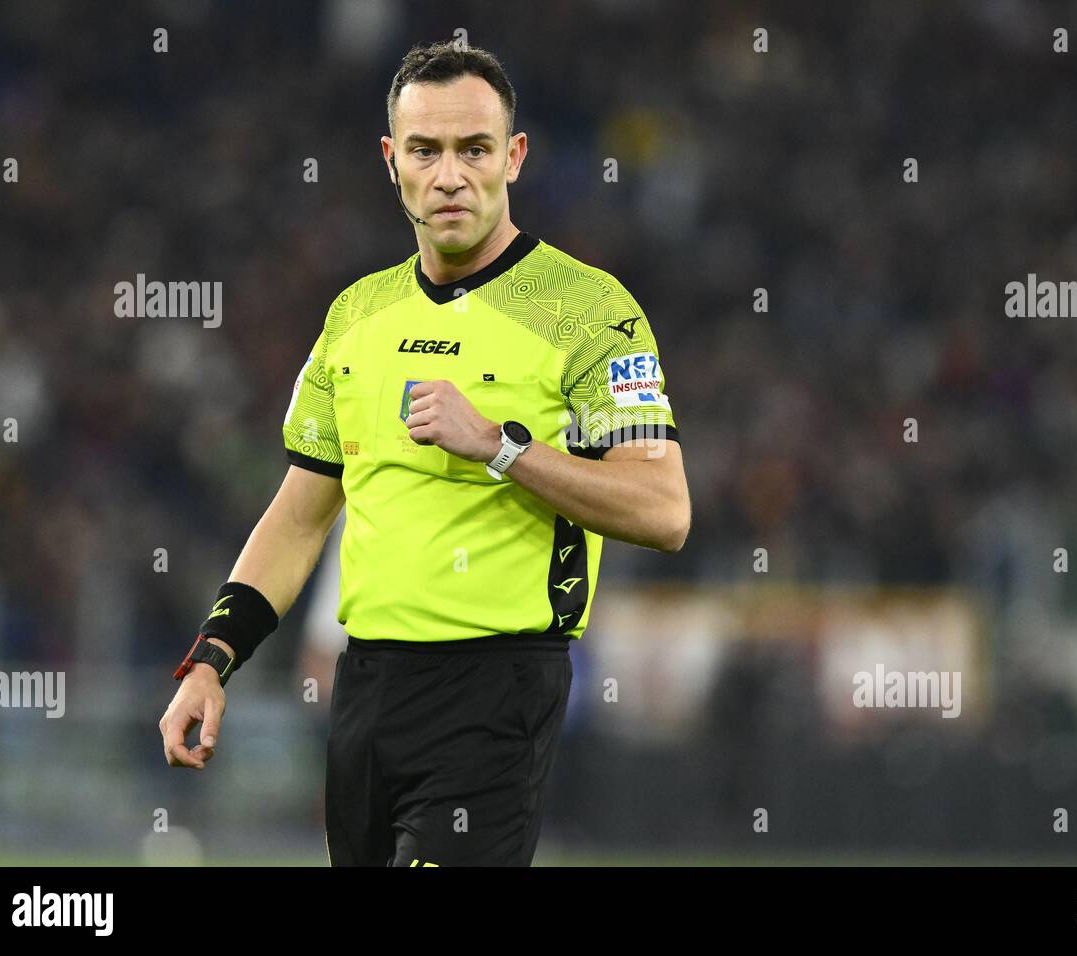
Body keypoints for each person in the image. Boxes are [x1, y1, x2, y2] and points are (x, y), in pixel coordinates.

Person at [158, 40, 690, 866]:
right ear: (390, 160)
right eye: (426, 151)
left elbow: (664, 511)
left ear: (513, 156)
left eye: (474, 150)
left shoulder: (589, 312)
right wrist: (210, 661)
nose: (450, 177)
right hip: (365, 694)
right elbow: (298, 520)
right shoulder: (355, 317)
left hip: (497, 691)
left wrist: (502, 447)